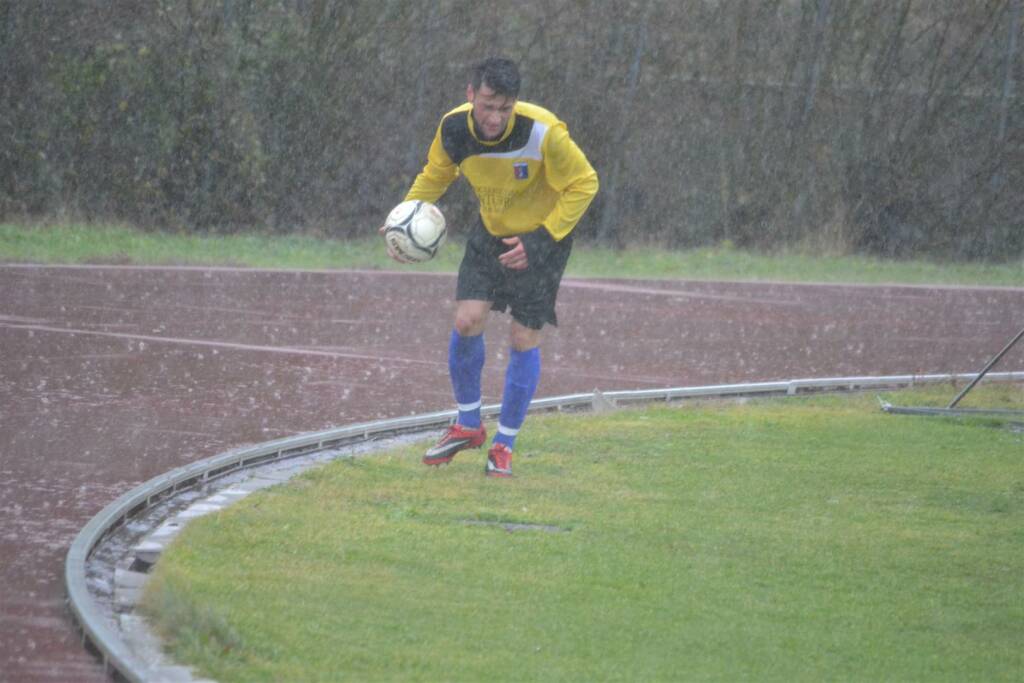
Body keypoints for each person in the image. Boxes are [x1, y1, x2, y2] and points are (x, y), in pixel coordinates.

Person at [383, 57, 598, 477]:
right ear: (470, 95)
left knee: (522, 338)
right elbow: (436, 174)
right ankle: (468, 424)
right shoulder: (453, 129)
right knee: (466, 321)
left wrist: (541, 239)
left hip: (543, 240)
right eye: (487, 105)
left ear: (515, 103)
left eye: (505, 108)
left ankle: (505, 444)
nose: (496, 117)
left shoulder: (543, 131)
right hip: (490, 231)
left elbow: (585, 182)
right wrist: (402, 216)